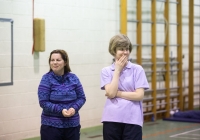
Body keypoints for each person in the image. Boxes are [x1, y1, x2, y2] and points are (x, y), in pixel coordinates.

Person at [100, 34, 149, 140]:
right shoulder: (106, 71)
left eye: (127, 49)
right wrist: (117, 70)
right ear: (114, 51)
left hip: (132, 119)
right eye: (121, 49)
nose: (125, 52)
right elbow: (111, 93)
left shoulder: (137, 69)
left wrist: (117, 93)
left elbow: (139, 95)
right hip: (112, 118)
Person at [38, 49, 86, 140]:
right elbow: (43, 102)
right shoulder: (46, 79)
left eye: (58, 60)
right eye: (52, 60)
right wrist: (61, 110)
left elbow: (81, 98)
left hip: (72, 125)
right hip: (51, 127)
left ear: (65, 62)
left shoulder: (73, 78)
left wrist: (74, 108)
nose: (55, 62)